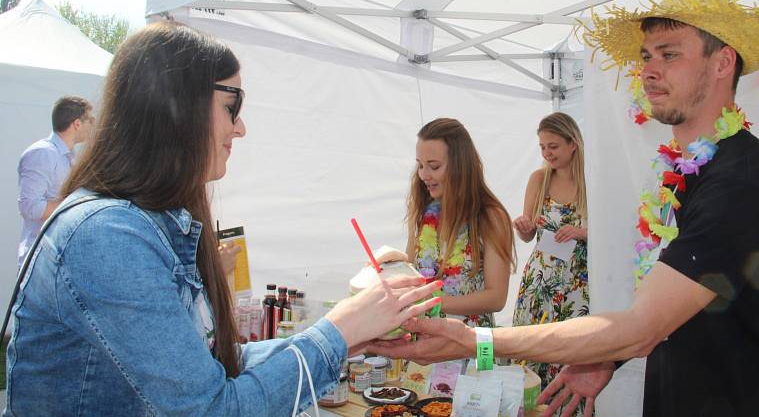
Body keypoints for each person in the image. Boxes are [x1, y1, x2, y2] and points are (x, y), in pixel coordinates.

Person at [371, 0, 759, 416]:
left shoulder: (742, 183)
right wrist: (607, 358)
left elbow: (642, 326)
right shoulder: (695, 171)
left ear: (723, 62)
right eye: (646, 57)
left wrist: (476, 340)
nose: (649, 71)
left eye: (669, 55)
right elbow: (680, 307)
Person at [4, 23, 441, 417]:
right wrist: (337, 331)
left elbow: (208, 367)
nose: (240, 127)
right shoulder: (107, 235)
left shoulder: (146, 223)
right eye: (232, 105)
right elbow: (212, 407)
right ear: (178, 107)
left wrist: (345, 339)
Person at [406, 118, 515, 327]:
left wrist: (438, 303)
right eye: (420, 165)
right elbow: (410, 269)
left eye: (434, 166)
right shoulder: (422, 212)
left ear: (460, 166)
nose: (423, 175)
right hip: (424, 341)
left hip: (468, 347)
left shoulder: (491, 217)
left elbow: (497, 297)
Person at [512, 112, 588, 395]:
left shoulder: (591, 180)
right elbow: (529, 234)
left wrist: (581, 232)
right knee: (531, 355)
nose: (547, 153)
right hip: (539, 283)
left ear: (573, 144)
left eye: (553, 146)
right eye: (543, 147)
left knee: (569, 357)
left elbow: (611, 230)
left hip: (576, 286)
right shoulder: (538, 179)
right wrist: (523, 226)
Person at [16, 95, 94, 266]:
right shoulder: (43, 153)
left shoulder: (69, 156)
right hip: (39, 260)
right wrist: (78, 206)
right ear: (77, 123)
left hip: (57, 257)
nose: (93, 125)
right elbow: (30, 207)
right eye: (91, 119)